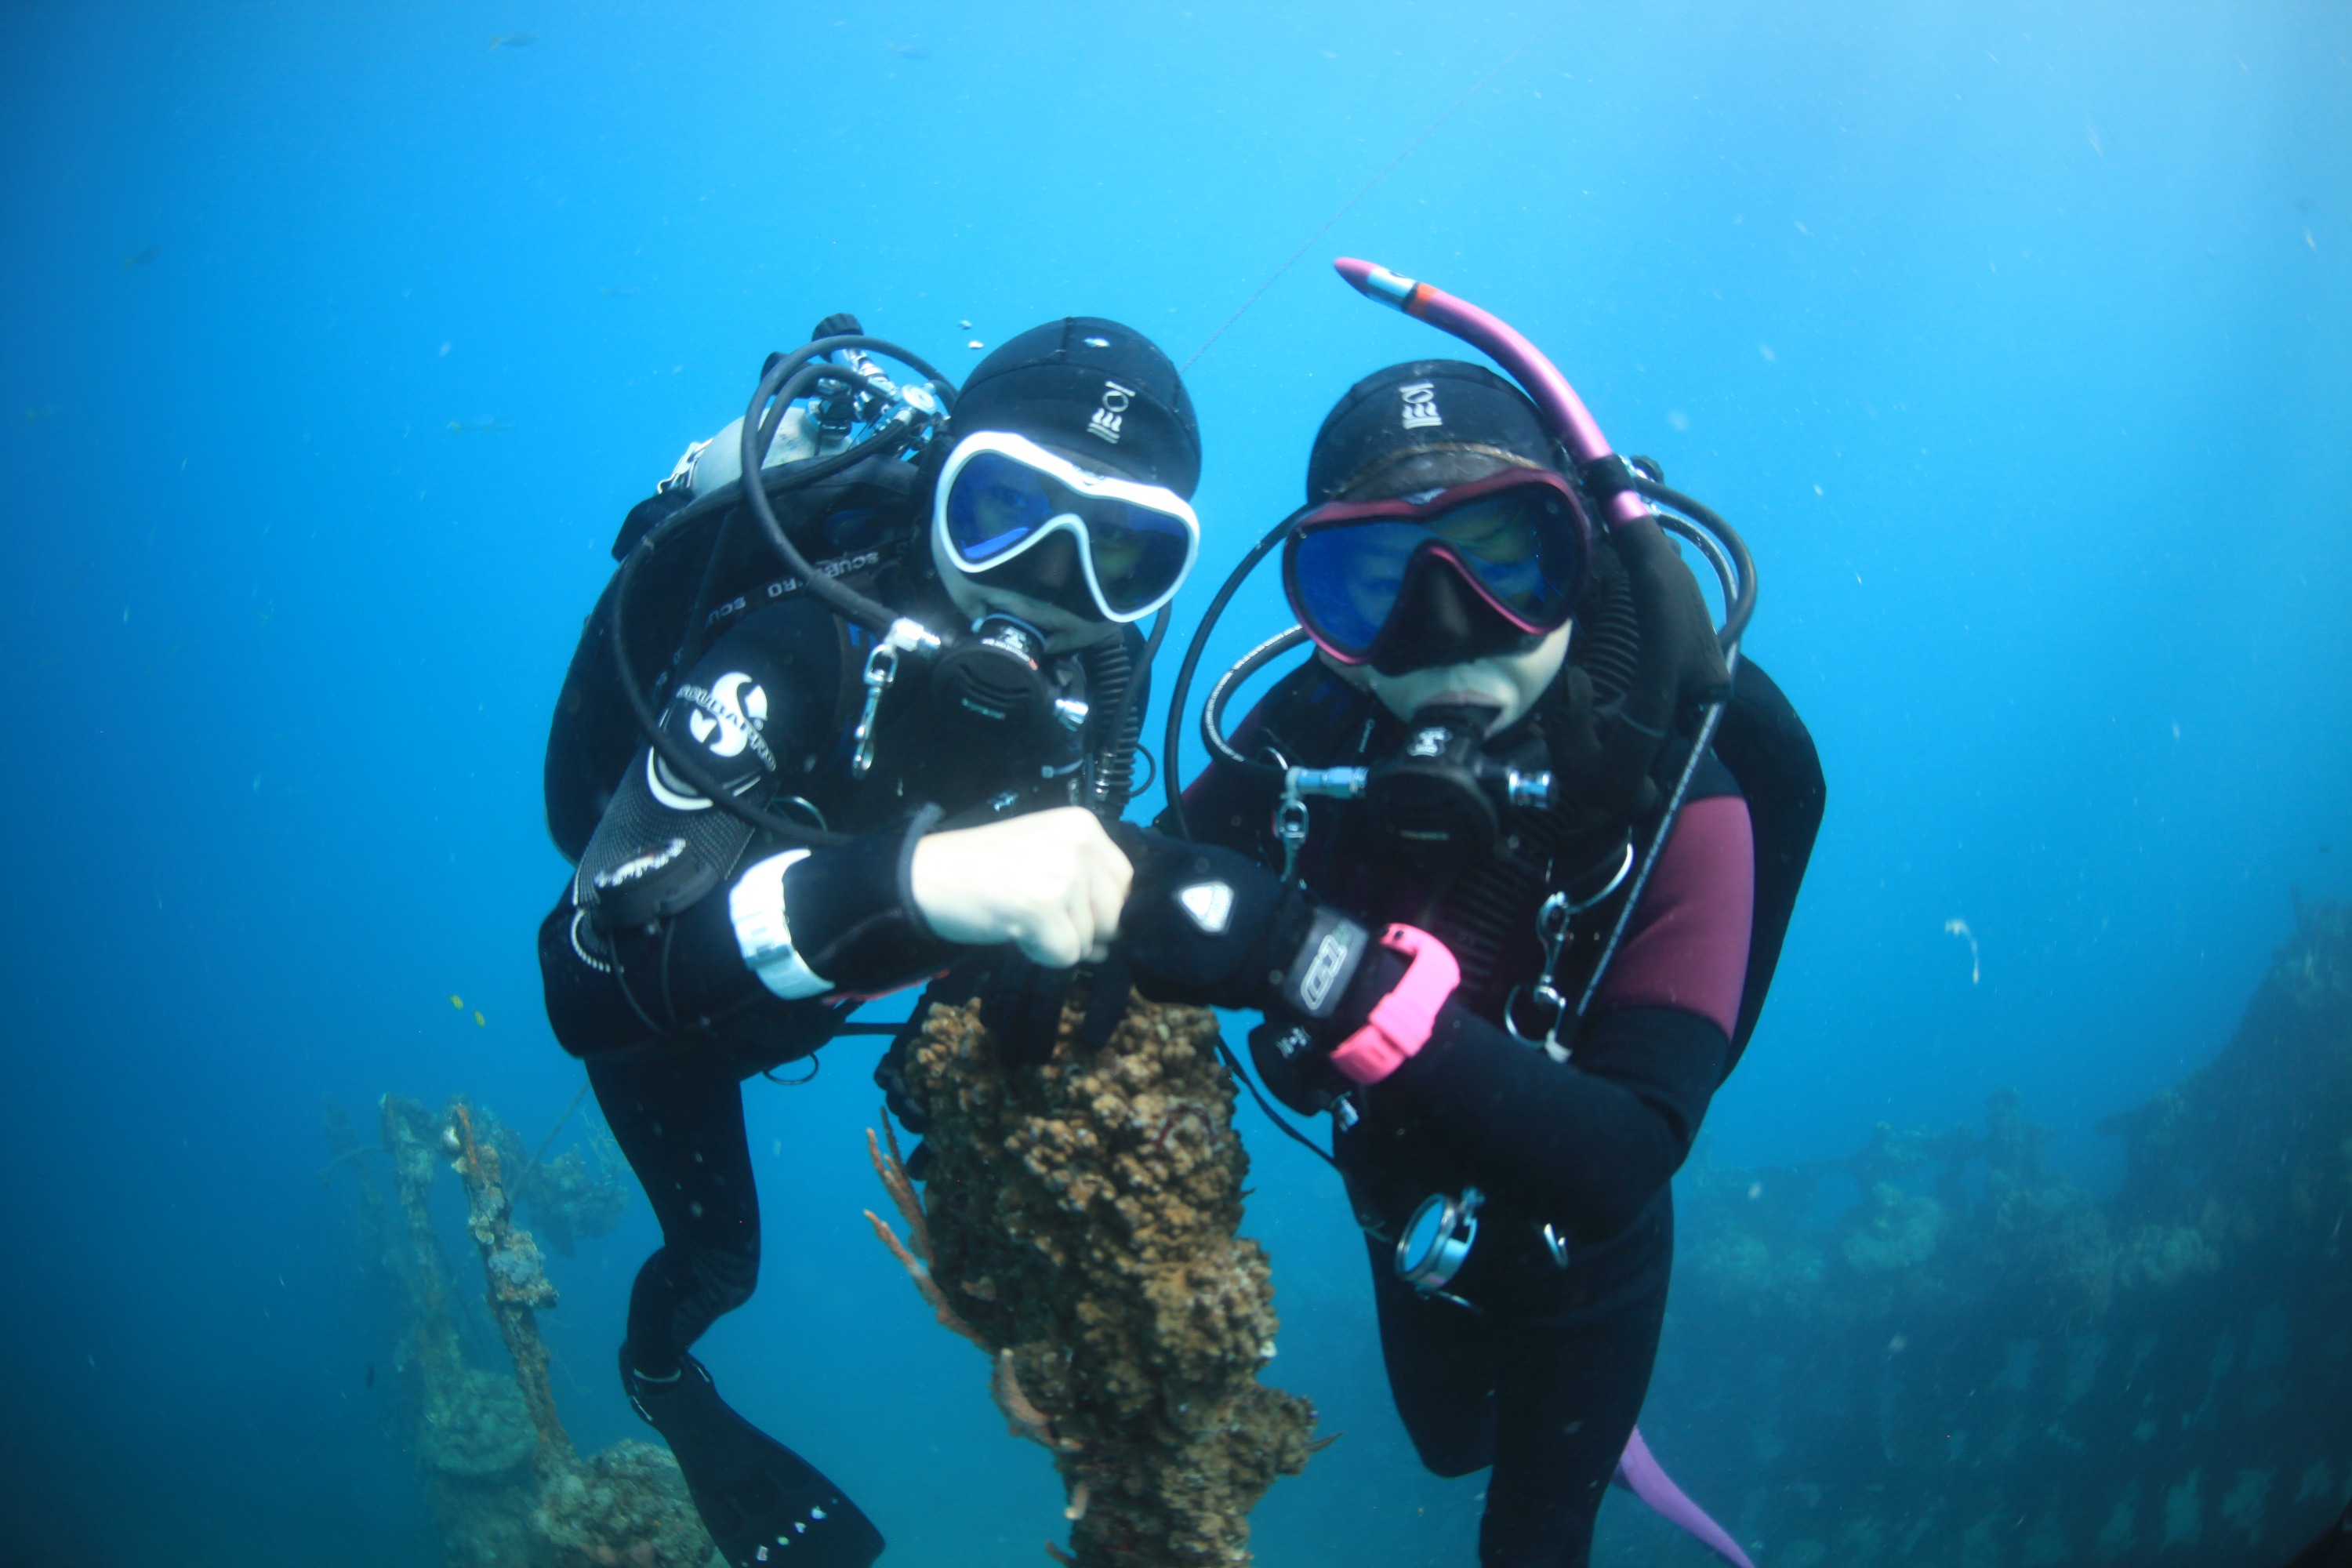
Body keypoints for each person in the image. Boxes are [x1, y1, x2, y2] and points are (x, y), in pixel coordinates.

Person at [1112, 348, 1823, 1566]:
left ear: (1581, 558)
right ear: (1319, 615)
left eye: (1504, 558)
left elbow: (1624, 1157)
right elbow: (1139, 874)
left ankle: (1608, 1452)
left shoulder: (1678, 802)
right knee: (1448, 1441)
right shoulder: (1315, 728)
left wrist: (1301, 957)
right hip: (1402, 1204)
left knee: (1531, 1536)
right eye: (1371, 575)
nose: (1441, 630)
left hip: (1581, 1265)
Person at [536, 316, 1203, 1568]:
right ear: (942, 477)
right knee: (720, 1262)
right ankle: (657, 1374)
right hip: (664, 1013)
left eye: (1119, 550)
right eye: (1002, 508)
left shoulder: (1086, 709)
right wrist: (904, 888)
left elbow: (1002, 990)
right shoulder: (797, 644)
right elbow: (581, 982)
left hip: (804, 990)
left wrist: (1017, 1299)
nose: (1048, 583)